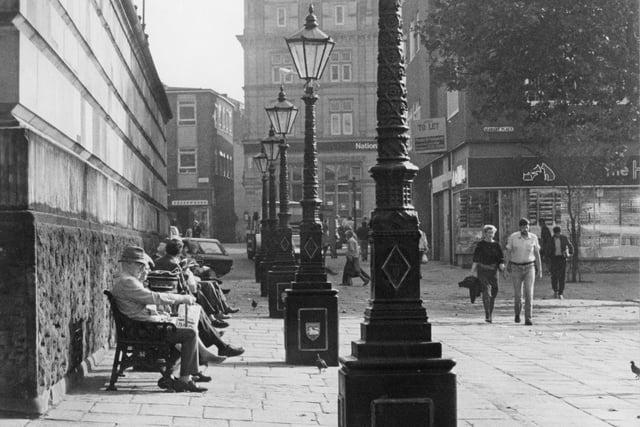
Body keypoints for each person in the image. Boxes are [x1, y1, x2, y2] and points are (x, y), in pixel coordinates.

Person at [111, 245, 225, 392]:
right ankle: (186, 378)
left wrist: (160, 312)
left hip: (139, 326)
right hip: (143, 330)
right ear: (128, 264)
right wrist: (182, 298)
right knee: (189, 333)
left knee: (186, 327)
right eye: (140, 265)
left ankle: (189, 369)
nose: (142, 268)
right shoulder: (128, 281)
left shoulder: (127, 280)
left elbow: (141, 303)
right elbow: (154, 297)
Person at [505, 218, 542, 326]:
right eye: (522, 227)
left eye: (526, 226)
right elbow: (508, 252)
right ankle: (517, 313)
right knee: (518, 294)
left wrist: (540, 269)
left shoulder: (533, 238)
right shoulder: (513, 237)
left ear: (529, 227)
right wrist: (506, 267)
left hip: (529, 267)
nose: (525, 229)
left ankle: (528, 318)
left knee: (529, 293)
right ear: (519, 227)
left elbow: (537, 253)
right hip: (516, 267)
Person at [470, 225, 506, 323]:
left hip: (493, 271)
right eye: (489, 232)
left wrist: (502, 265)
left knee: (495, 290)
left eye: (492, 233)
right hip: (482, 270)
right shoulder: (480, 245)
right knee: (486, 291)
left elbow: (500, 258)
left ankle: (490, 311)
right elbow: (476, 259)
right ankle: (488, 314)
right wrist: (472, 271)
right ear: (485, 234)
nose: (491, 234)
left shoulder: (497, 245)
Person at [549, 226, 574, 299]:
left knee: (562, 276)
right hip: (554, 259)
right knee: (554, 276)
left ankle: (560, 293)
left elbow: (570, 246)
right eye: (557, 233)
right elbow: (547, 249)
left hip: (562, 259)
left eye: (559, 233)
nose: (558, 234)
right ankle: (555, 290)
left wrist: (569, 254)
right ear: (554, 233)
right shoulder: (551, 239)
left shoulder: (564, 238)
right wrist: (548, 257)